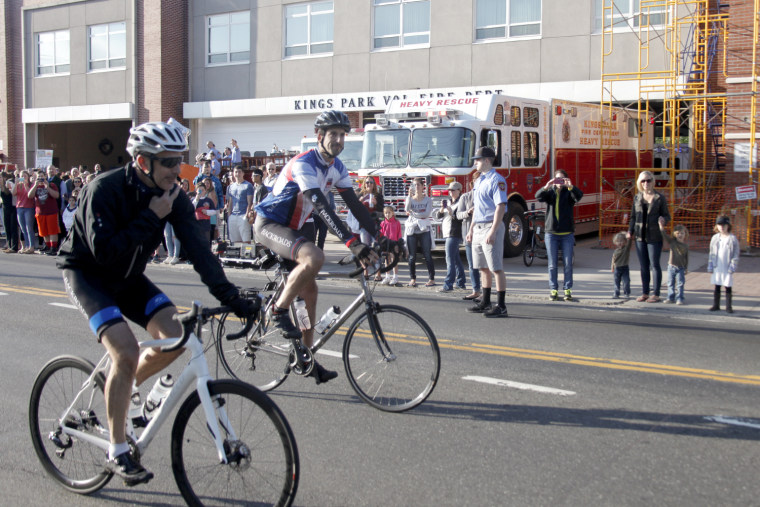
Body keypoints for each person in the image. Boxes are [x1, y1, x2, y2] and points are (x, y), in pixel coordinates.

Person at [56, 120, 255, 486]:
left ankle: (117, 387)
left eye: (179, 161)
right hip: (89, 274)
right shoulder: (103, 189)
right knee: (126, 350)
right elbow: (106, 253)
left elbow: (197, 250)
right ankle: (117, 451)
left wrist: (230, 296)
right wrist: (152, 216)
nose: (176, 170)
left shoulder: (173, 195)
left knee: (174, 336)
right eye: (167, 162)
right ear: (143, 161)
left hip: (127, 277)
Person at [253, 110, 380, 384]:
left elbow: (356, 206)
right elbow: (321, 206)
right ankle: (277, 310)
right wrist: (352, 243)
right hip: (271, 224)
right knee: (315, 257)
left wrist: (383, 238)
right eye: (332, 134)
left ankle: (306, 357)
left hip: (297, 227)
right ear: (319, 137)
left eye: (342, 134)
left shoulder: (337, 167)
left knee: (310, 291)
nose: (338, 139)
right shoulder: (304, 163)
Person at [466, 147, 508, 317]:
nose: (475, 162)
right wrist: (471, 229)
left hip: (491, 225)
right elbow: (477, 208)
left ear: (487, 160)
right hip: (478, 227)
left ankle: (502, 305)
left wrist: (493, 231)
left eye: (478, 159)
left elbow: (501, 207)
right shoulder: (479, 181)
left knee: (496, 267)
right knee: (482, 267)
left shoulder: (497, 180)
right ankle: (485, 301)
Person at [535, 169, 583, 301]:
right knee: (552, 264)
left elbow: (579, 196)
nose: (559, 182)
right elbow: (538, 196)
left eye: (562, 179)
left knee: (567, 263)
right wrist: (547, 186)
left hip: (567, 233)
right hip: (551, 234)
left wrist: (571, 186)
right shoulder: (550, 193)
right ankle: (553, 289)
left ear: (566, 180)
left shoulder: (569, 193)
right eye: (557, 179)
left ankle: (567, 289)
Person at [627, 170, 670, 303]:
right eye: (643, 181)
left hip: (654, 236)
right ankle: (645, 292)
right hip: (640, 237)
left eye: (648, 180)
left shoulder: (659, 198)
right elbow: (633, 217)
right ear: (640, 183)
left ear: (653, 182)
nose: (646, 183)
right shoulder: (637, 197)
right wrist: (630, 231)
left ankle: (656, 294)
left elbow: (667, 215)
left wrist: (664, 220)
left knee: (654, 264)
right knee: (643, 265)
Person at [434, 181, 466, 292]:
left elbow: (460, 217)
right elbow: (438, 216)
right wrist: (442, 210)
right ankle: (461, 282)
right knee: (455, 259)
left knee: (449, 259)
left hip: (455, 232)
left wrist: (451, 212)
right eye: (449, 190)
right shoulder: (448, 201)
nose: (450, 192)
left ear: (459, 190)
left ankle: (448, 285)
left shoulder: (461, 202)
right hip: (448, 232)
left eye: (453, 190)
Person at [404, 177, 436, 287]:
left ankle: (431, 279)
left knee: (427, 255)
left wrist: (414, 214)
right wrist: (409, 196)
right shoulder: (410, 199)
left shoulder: (428, 200)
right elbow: (407, 209)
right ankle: (412, 278)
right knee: (412, 256)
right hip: (412, 230)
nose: (416, 187)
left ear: (423, 186)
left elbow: (426, 214)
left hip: (424, 230)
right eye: (414, 185)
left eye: (418, 184)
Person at [707, 215, 740, 313]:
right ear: (717, 226)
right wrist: (710, 265)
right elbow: (711, 252)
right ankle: (716, 305)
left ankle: (728, 307)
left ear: (728, 226)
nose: (722, 227)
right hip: (717, 265)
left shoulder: (732, 239)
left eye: (724, 225)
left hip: (727, 266)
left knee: (727, 286)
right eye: (720, 225)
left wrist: (732, 266)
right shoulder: (715, 238)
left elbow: (735, 253)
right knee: (717, 285)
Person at [457, 171, 481, 301]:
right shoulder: (465, 197)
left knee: (484, 265)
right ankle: (475, 290)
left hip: (483, 233)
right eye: (477, 181)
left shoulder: (485, 196)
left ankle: (485, 290)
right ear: (472, 183)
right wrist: (468, 212)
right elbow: (458, 215)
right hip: (469, 235)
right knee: (472, 265)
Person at [29, 170, 60, 255]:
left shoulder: (52, 185)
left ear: (45, 177)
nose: (41, 178)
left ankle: (53, 248)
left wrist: (47, 187)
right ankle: (48, 246)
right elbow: (30, 196)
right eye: (39, 177)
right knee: (44, 231)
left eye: (42, 176)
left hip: (51, 212)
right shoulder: (35, 186)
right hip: (40, 212)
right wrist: (35, 185)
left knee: (52, 231)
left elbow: (56, 195)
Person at [659, 222, 689, 305]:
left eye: (682, 233)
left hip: (681, 268)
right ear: (675, 234)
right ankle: (670, 297)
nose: (680, 235)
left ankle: (680, 298)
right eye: (678, 233)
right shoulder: (672, 242)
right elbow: (664, 235)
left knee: (680, 284)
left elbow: (686, 258)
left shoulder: (685, 246)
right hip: (671, 266)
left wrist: (686, 268)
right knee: (670, 283)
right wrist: (661, 226)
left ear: (685, 234)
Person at [225, 165, 254, 244]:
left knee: (245, 239)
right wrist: (229, 215)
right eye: (236, 172)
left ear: (243, 173)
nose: (238, 174)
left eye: (239, 172)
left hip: (243, 215)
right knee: (234, 241)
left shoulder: (248, 185)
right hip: (233, 215)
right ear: (233, 173)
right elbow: (230, 202)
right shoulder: (230, 187)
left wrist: (246, 215)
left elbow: (250, 202)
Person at [14, 169, 37, 254]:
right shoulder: (18, 185)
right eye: (21, 176)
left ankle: (31, 246)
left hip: (28, 208)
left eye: (25, 176)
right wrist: (16, 183)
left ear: (28, 177)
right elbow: (13, 193)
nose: (23, 178)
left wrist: (26, 185)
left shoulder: (30, 185)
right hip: (19, 207)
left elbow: (30, 195)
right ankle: (26, 246)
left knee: (29, 228)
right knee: (23, 228)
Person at [380, 205, 401, 285]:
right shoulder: (383, 223)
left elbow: (399, 234)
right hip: (386, 244)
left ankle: (395, 277)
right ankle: (387, 276)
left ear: (392, 213)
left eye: (389, 212)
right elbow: (381, 234)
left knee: (394, 260)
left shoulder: (396, 222)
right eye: (385, 213)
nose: (387, 214)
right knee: (387, 260)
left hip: (394, 244)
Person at [610, 231, 633, 299]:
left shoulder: (626, 249)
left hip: (625, 268)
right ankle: (616, 293)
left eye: (621, 241)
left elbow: (629, 244)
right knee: (616, 282)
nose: (620, 243)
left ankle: (627, 293)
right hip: (617, 268)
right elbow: (613, 260)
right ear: (615, 242)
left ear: (625, 241)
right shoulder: (616, 251)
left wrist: (629, 238)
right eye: (618, 241)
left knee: (626, 281)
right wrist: (612, 267)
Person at [1, 171, 19, 253]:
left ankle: (14, 247)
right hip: (5, 208)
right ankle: (9, 245)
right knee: (7, 227)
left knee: (13, 227)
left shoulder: (8, 184)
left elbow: (14, 193)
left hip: (12, 207)